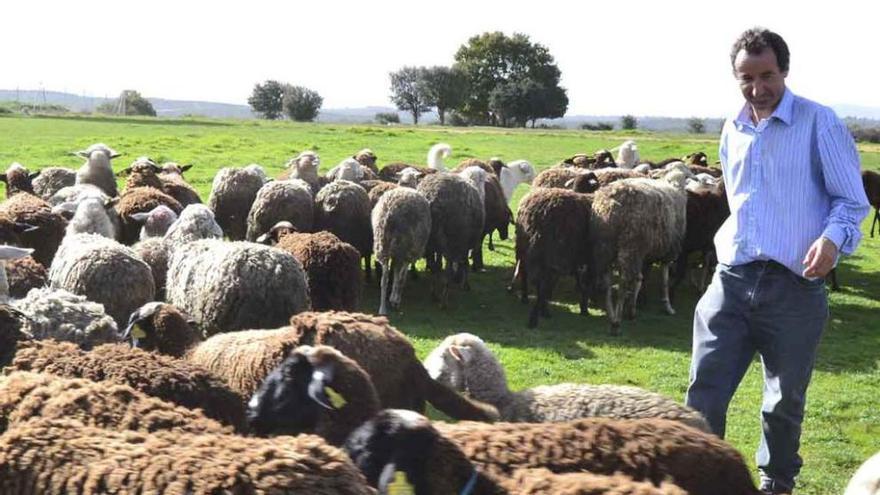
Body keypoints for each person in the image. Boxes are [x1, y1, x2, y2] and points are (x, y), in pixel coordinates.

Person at [685, 27, 870, 495]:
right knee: (703, 390)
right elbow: (739, 200)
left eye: (767, 75)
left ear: (784, 70)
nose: (758, 87)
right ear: (736, 77)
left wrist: (831, 242)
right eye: (746, 77)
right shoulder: (732, 129)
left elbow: (852, 202)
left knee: (783, 400)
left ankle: (776, 483)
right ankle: (702, 479)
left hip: (793, 285)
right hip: (731, 278)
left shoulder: (818, 122)